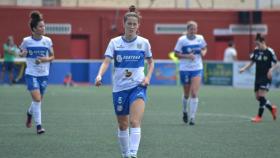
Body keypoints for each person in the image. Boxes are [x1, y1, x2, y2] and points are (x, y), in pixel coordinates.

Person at [95, 5, 154, 158]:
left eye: (135, 24)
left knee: (135, 121)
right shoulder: (114, 42)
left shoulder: (144, 43)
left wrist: (147, 78)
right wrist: (99, 75)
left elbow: (151, 62)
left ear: (138, 26)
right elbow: (106, 62)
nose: (132, 27)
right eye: (129, 24)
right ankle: (125, 154)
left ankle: (133, 154)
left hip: (138, 86)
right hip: (120, 88)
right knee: (123, 125)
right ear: (124, 24)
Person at [19, 10, 54, 134]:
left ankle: (29, 113)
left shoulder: (48, 41)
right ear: (34, 29)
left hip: (44, 74)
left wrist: (45, 59)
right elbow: (21, 51)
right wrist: (22, 53)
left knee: (38, 100)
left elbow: (52, 57)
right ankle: (39, 126)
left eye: (44, 26)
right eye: (40, 26)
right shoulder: (27, 41)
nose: (43, 28)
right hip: (31, 74)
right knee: (37, 99)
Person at [174, 20, 207, 125]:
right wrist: (187, 56)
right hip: (185, 69)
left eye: (195, 29)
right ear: (187, 30)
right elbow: (176, 54)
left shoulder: (200, 38)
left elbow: (204, 48)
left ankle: (192, 118)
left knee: (194, 93)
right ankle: (185, 111)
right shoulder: (182, 40)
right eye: (191, 29)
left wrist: (203, 52)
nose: (193, 31)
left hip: (197, 68)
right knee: (187, 94)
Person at [239, 33, 278, 123]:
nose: (257, 46)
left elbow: (276, 63)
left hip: (266, 77)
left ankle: (259, 117)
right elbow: (252, 62)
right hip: (258, 77)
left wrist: (271, 70)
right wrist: (244, 69)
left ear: (263, 42)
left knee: (261, 95)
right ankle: (272, 108)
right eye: (256, 44)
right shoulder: (256, 51)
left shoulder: (270, 51)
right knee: (258, 97)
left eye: (258, 44)